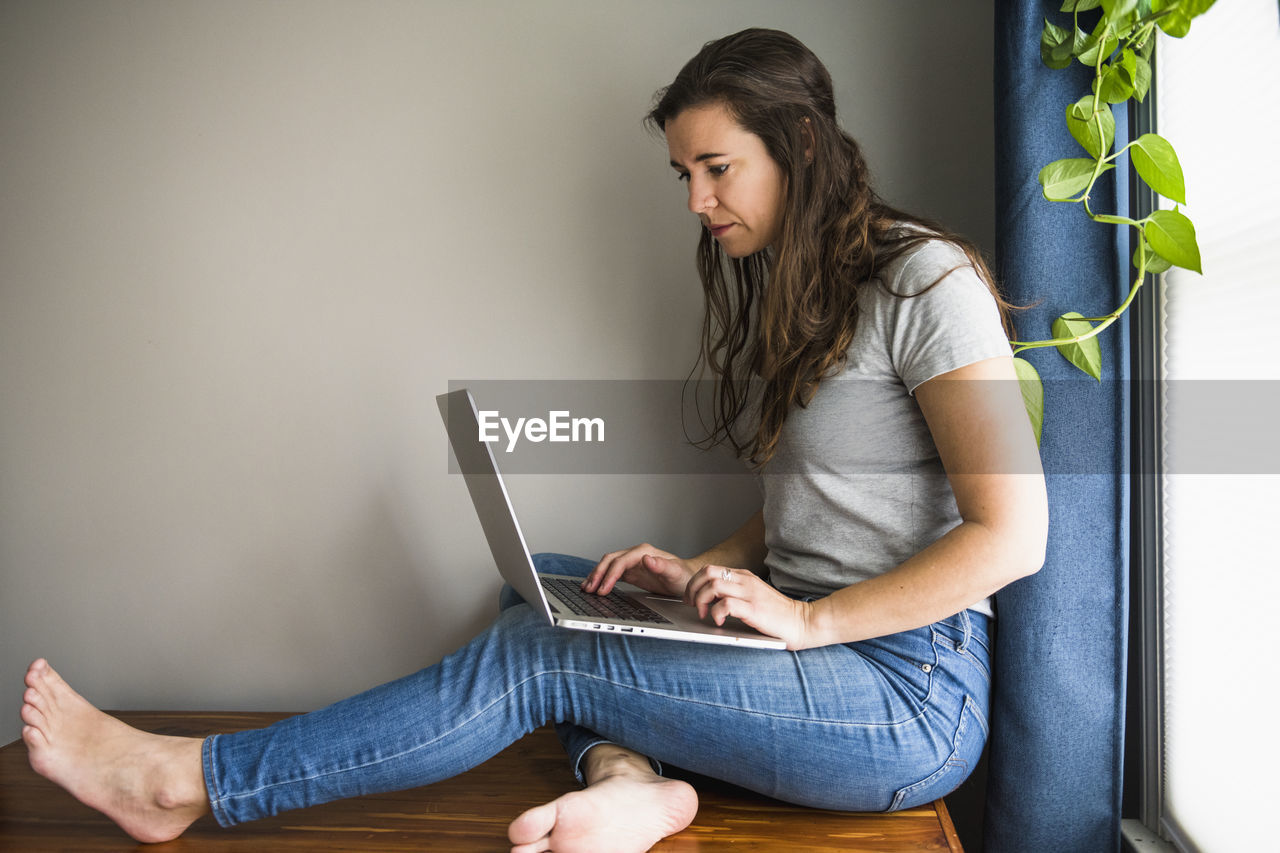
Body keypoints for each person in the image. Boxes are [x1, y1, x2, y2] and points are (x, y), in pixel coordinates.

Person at [19, 27, 1047, 853]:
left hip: (904, 696)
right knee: (554, 587)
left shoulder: (927, 282)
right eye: (683, 172)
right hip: (812, 648)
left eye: (715, 167)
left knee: (538, 651)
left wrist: (807, 623)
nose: (695, 201)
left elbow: (1011, 535)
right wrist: (706, 567)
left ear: (802, 146)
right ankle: (630, 783)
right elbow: (823, 503)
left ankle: (183, 782)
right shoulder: (805, 291)